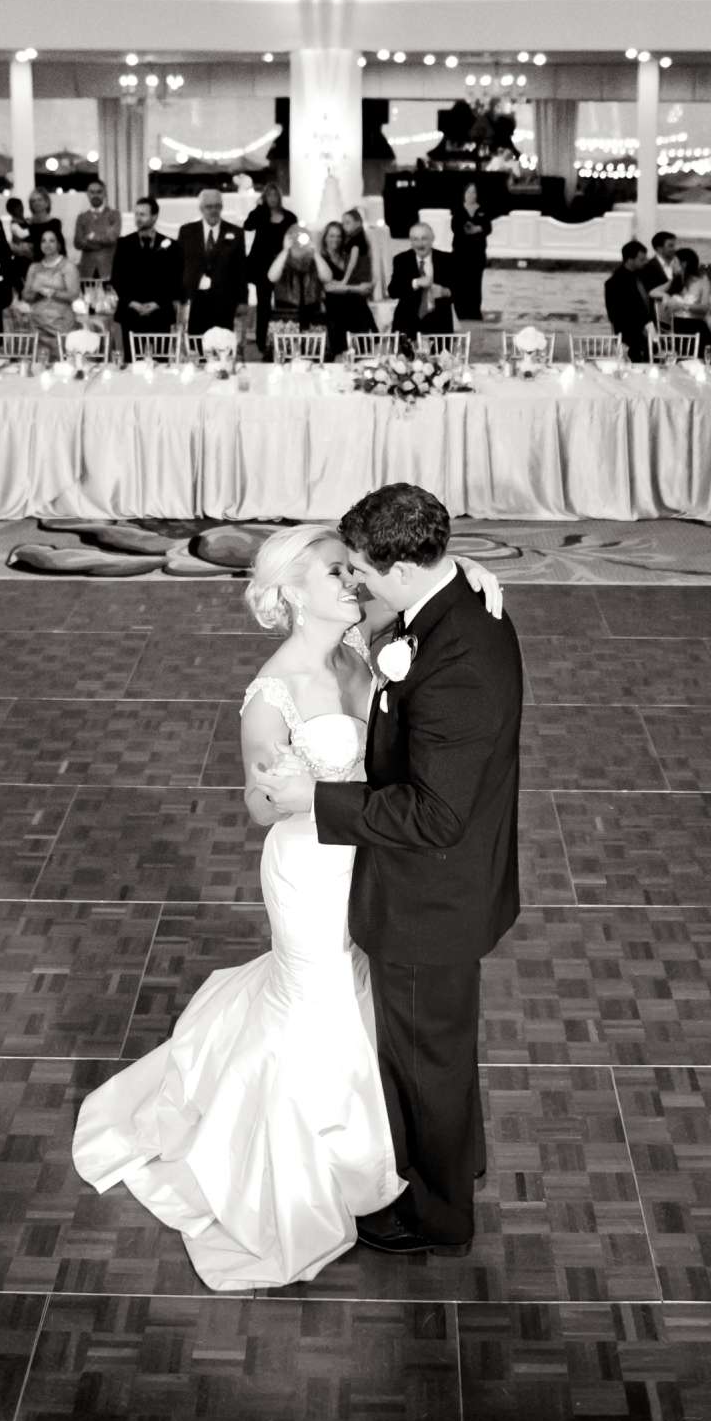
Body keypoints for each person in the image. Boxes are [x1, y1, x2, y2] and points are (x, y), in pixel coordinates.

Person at [72, 509, 509, 1288]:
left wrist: (469, 572)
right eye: (336, 574)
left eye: (354, 570)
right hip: (311, 867)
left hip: (380, 858)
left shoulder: (366, 645)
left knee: (369, 1000)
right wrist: (301, 790)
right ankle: (312, 1170)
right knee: (318, 1000)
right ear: (292, 595)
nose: (353, 581)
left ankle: (393, 1154)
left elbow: (419, 581)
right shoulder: (272, 693)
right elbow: (260, 805)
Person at [260, 484, 523, 1258]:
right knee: (436, 1050)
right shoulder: (455, 604)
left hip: (428, 900)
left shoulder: (458, 660)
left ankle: (439, 1219)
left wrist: (316, 797)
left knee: (426, 1060)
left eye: (364, 571)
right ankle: (454, 1163)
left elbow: (435, 815)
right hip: (434, 887)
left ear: (404, 569)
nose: (357, 584)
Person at [111, 197, 181, 356]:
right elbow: (117, 278)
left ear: (154, 217)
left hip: (160, 312)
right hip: (131, 312)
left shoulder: (171, 245)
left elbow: (175, 280)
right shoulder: (124, 244)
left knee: (161, 362)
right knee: (131, 363)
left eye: (142, 214)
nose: (138, 218)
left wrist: (157, 303)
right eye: (136, 214)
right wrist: (133, 303)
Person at [176, 188, 247, 340]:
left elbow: (241, 269)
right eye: (209, 206)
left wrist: (243, 300)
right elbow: (178, 266)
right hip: (195, 300)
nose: (214, 210)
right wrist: (178, 298)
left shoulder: (236, 232)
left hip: (225, 301)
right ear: (201, 208)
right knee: (195, 344)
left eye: (217, 206)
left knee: (223, 344)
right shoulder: (186, 231)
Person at [243, 181, 299, 353]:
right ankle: (261, 342)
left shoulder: (290, 217)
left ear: (279, 197)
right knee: (264, 305)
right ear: (265, 197)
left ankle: (284, 341)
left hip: (283, 265)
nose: (273, 198)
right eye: (269, 195)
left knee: (285, 303)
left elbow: (295, 237)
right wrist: (259, 208)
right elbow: (247, 225)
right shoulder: (260, 214)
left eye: (275, 195)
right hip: (262, 266)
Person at [16, 222, 82, 353]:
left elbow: (74, 294)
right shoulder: (34, 267)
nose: (47, 244)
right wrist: (36, 294)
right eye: (43, 241)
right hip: (37, 325)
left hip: (61, 325)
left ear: (59, 244)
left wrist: (52, 292)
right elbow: (25, 295)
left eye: (52, 241)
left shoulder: (68, 266)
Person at [387, 220, 455, 344]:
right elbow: (393, 291)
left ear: (432, 239)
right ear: (410, 241)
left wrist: (446, 292)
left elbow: (464, 291)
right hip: (407, 324)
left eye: (424, 238)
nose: (420, 244)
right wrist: (416, 283)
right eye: (415, 239)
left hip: (439, 325)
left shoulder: (447, 260)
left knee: (441, 363)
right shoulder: (401, 260)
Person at [317, 218, 376, 361]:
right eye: (331, 235)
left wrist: (367, 285)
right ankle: (341, 355)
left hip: (355, 304)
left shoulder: (347, 256)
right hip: (335, 305)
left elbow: (361, 275)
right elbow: (329, 287)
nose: (335, 239)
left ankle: (364, 353)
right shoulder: (320, 258)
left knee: (360, 306)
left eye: (339, 236)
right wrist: (357, 289)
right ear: (325, 238)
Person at [266, 222, 326, 339]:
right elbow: (272, 277)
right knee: (284, 354)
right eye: (295, 236)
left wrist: (314, 252)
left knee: (313, 354)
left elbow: (327, 277)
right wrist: (285, 250)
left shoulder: (314, 261)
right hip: (285, 319)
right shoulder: (282, 260)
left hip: (313, 318)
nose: (298, 240)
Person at [604, 238, 657, 360]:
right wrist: (642, 327)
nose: (645, 262)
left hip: (644, 332)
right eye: (641, 259)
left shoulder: (640, 275)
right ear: (630, 260)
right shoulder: (615, 282)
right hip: (630, 335)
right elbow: (614, 314)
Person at [449, 183, 492, 321]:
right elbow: (455, 227)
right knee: (460, 283)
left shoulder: (483, 209)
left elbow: (488, 227)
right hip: (460, 254)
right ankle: (460, 312)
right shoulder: (458, 209)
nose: (471, 195)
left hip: (477, 254)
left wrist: (478, 229)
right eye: (469, 192)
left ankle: (474, 311)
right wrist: (469, 229)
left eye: (474, 192)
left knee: (475, 283)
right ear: (464, 194)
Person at [73, 178, 122, 291]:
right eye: (92, 192)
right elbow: (77, 242)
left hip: (107, 269)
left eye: (99, 192)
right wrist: (102, 239)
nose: (95, 195)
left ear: (105, 193)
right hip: (87, 269)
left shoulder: (114, 215)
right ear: (87, 194)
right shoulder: (82, 217)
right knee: (88, 305)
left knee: (109, 304)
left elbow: (112, 238)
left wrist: (91, 237)